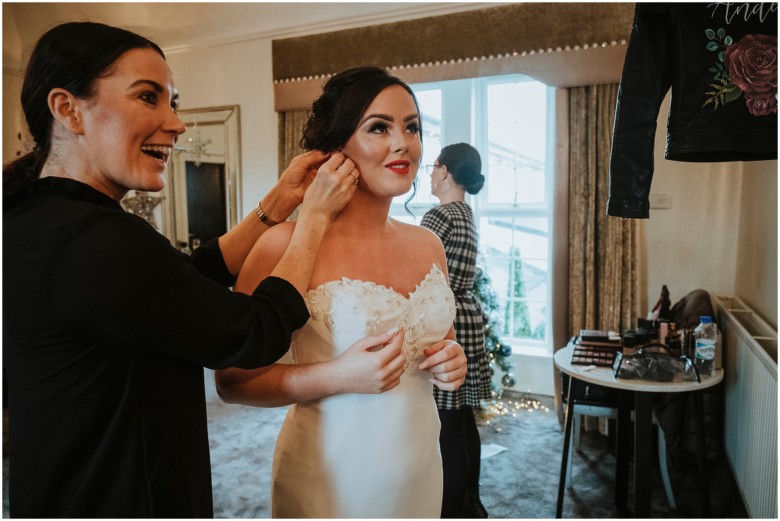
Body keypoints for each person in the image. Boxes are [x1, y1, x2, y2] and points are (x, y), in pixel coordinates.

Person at [2, 22, 364, 518]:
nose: (175, 123)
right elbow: (257, 331)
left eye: (173, 102)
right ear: (68, 110)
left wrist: (278, 203)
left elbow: (178, 285)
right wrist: (314, 221)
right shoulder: (96, 239)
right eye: (148, 97)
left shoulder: (35, 217)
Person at [215, 66, 469, 518]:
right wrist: (336, 376)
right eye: (379, 127)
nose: (402, 143)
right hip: (329, 479)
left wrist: (452, 357)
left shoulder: (429, 244)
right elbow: (232, 381)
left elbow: (438, 341)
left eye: (412, 127)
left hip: (419, 469)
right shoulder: (281, 246)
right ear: (335, 149)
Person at [421, 143, 492, 518]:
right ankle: (471, 501)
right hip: (466, 315)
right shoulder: (465, 213)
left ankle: (451, 510)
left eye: (433, 168)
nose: (430, 175)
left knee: (446, 424)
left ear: (445, 172)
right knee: (463, 420)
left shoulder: (439, 216)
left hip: (447, 319)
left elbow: (416, 274)